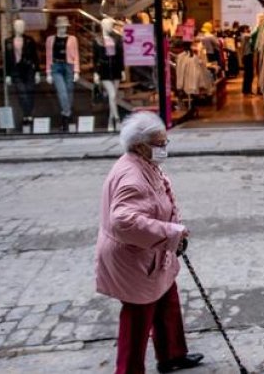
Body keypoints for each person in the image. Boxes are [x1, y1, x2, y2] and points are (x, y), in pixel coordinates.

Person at [95, 111, 203, 374]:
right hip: (136, 261)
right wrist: (171, 233)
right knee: (137, 317)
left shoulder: (142, 163)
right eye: (160, 143)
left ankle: (172, 355)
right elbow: (124, 221)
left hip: (152, 256)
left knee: (167, 300)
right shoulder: (132, 176)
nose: (165, 147)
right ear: (141, 145)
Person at [240, 25, 254, 95]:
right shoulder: (244, 36)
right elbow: (251, 35)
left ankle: (247, 89)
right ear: (245, 29)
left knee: (248, 74)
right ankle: (247, 90)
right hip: (247, 55)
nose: (249, 29)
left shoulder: (244, 36)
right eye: (248, 28)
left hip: (247, 55)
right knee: (249, 73)